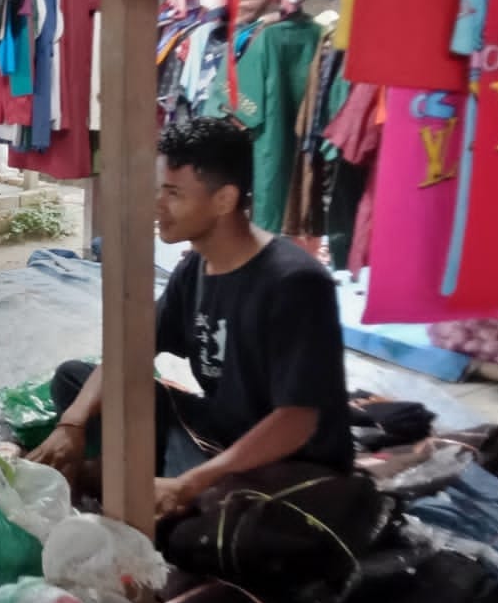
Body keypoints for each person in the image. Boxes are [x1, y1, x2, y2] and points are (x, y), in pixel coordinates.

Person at [29, 116, 354, 517]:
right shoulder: (196, 268)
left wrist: (189, 484)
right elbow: (134, 348)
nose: (156, 206)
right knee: (74, 380)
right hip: (217, 431)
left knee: (202, 522)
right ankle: (135, 480)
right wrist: (72, 424)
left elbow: (297, 422)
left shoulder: (296, 283)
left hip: (286, 464)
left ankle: (135, 481)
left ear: (224, 200)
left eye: (173, 193)